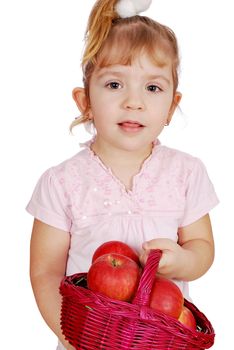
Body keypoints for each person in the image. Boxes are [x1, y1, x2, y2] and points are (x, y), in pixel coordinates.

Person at [26, 0, 219, 349]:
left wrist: (183, 261)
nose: (134, 101)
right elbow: (45, 273)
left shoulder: (186, 172)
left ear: (172, 107)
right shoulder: (62, 183)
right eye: (115, 85)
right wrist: (74, 338)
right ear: (85, 102)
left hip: (162, 338)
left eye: (153, 88)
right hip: (85, 341)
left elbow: (202, 248)